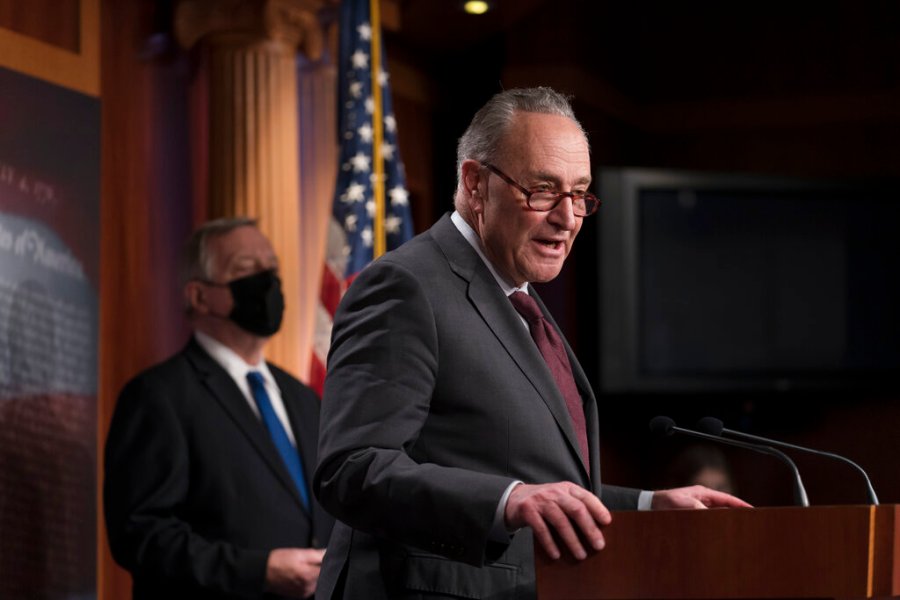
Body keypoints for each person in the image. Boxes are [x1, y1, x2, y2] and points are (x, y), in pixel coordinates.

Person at [313, 87, 751, 599]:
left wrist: (649, 507)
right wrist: (506, 500)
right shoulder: (408, 287)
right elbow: (352, 467)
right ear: (475, 184)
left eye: (580, 194)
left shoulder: (519, 296)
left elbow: (541, 487)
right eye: (543, 190)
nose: (567, 219)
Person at [104, 218, 332, 599]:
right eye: (246, 270)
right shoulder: (159, 395)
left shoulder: (304, 400)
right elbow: (141, 534)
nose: (268, 281)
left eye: (271, 268)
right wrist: (257, 571)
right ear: (199, 296)